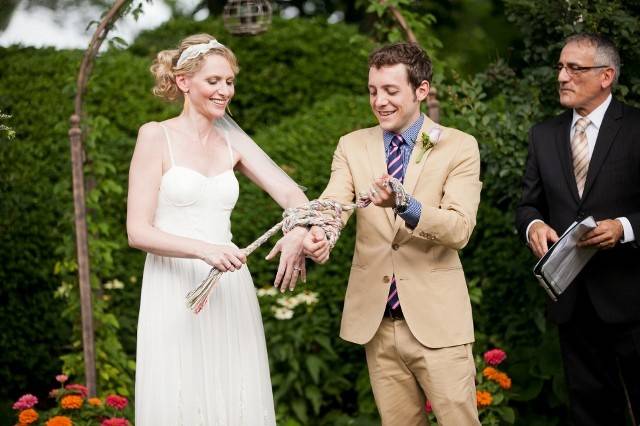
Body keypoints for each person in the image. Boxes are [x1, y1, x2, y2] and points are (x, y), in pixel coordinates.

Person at [126, 34, 308, 425]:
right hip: (173, 287)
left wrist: (295, 232)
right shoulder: (155, 135)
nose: (224, 90)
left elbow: (294, 197)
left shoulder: (233, 140)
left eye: (229, 81)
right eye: (214, 81)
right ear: (183, 81)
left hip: (229, 288)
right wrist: (204, 250)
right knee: (179, 393)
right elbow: (138, 231)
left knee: (234, 395)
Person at [304, 42, 482, 425]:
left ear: (421, 91)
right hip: (379, 323)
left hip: (439, 323)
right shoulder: (351, 145)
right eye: (372, 91)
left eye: (390, 91)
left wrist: (406, 204)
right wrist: (319, 233)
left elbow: (460, 228)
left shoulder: (460, 146)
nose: (379, 101)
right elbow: (334, 201)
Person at [515, 33, 640, 425]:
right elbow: (528, 204)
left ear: (607, 76)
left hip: (633, 298)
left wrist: (624, 228)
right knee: (590, 413)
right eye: (560, 67)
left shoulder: (637, 127)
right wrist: (533, 225)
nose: (562, 77)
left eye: (575, 68)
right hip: (572, 302)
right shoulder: (544, 134)